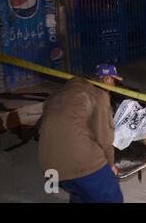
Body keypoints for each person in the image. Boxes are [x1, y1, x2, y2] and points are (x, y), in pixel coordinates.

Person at [38, 64, 124, 203]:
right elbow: (104, 137)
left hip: (50, 168)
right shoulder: (99, 95)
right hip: (82, 164)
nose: (115, 85)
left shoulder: (57, 95)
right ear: (107, 79)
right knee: (111, 196)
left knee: (81, 193)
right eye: (114, 81)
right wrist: (110, 165)